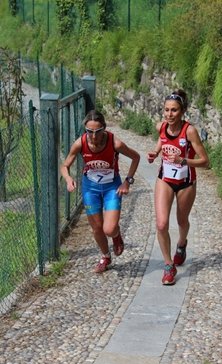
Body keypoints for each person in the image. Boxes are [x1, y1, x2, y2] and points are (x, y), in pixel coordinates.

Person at [61, 110, 140, 273]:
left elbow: (136, 157)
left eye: (98, 131)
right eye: (90, 131)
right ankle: (105, 256)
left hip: (112, 187)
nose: (94, 136)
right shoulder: (80, 143)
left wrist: (128, 182)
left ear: (104, 128)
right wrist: (68, 179)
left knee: (109, 229)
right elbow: (64, 166)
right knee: (97, 228)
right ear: (85, 129)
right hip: (90, 189)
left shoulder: (114, 143)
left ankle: (116, 235)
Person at [147, 89, 209, 285]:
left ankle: (181, 243)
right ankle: (168, 266)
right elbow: (162, 139)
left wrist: (183, 160)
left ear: (182, 111)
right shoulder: (161, 126)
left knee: (182, 220)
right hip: (165, 179)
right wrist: (155, 153)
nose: (169, 114)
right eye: (166, 110)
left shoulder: (189, 131)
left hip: (185, 182)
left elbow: (205, 161)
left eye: (174, 110)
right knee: (161, 224)